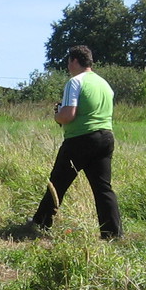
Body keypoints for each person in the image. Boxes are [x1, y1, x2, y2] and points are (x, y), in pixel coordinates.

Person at [29, 45, 123, 239]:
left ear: (74, 61)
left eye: (68, 62)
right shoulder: (104, 84)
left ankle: (41, 223)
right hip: (105, 137)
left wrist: (57, 115)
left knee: (57, 183)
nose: (68, 66)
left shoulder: (75, 82)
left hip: (80, 139)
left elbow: (68, 115)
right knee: (103, 188)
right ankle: (113, 233)